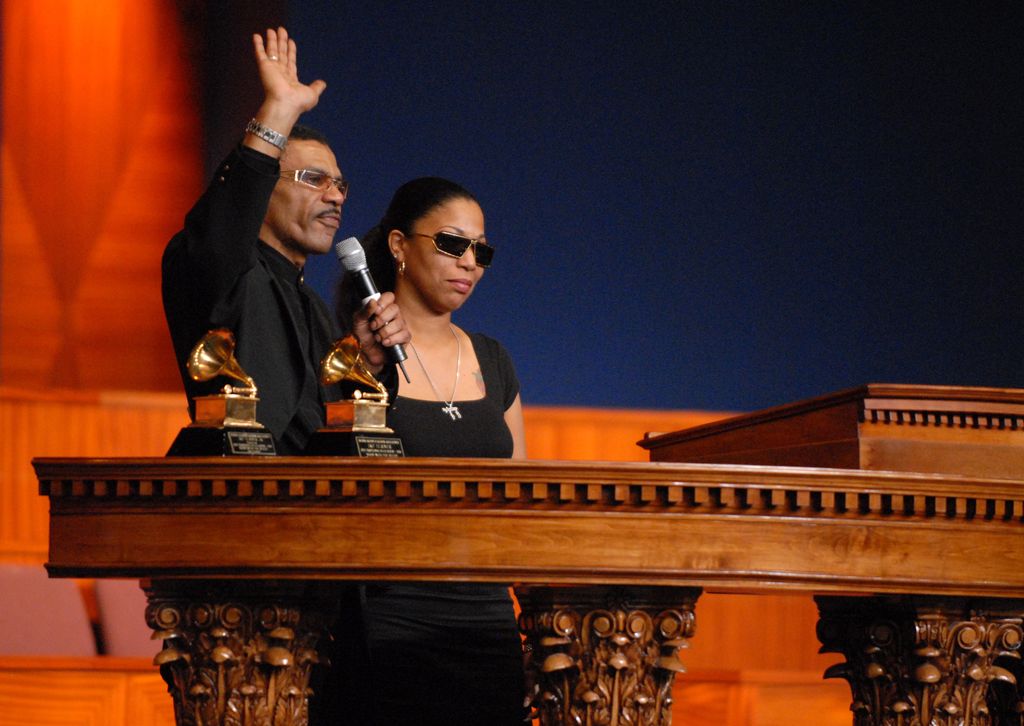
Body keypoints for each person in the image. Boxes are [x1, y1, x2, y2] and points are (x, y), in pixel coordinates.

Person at [324, 178, 528, 724]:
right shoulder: (353, 357)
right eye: (451, 244)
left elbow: (521, 504)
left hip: (487, 622)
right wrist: (365, 370)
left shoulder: (494, 360)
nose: (469, 263)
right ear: (398, 247)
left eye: (480, 251)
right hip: (390, 621)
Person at [161, 28, 408, 454]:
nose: (335, 197)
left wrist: (370, 362)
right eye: (313, 180)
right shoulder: (216, 267)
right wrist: (278, 112)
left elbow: (336, 429)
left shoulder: (312, 306)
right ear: (263, 189)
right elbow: (223, 224)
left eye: (340, 185)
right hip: (235, 500)